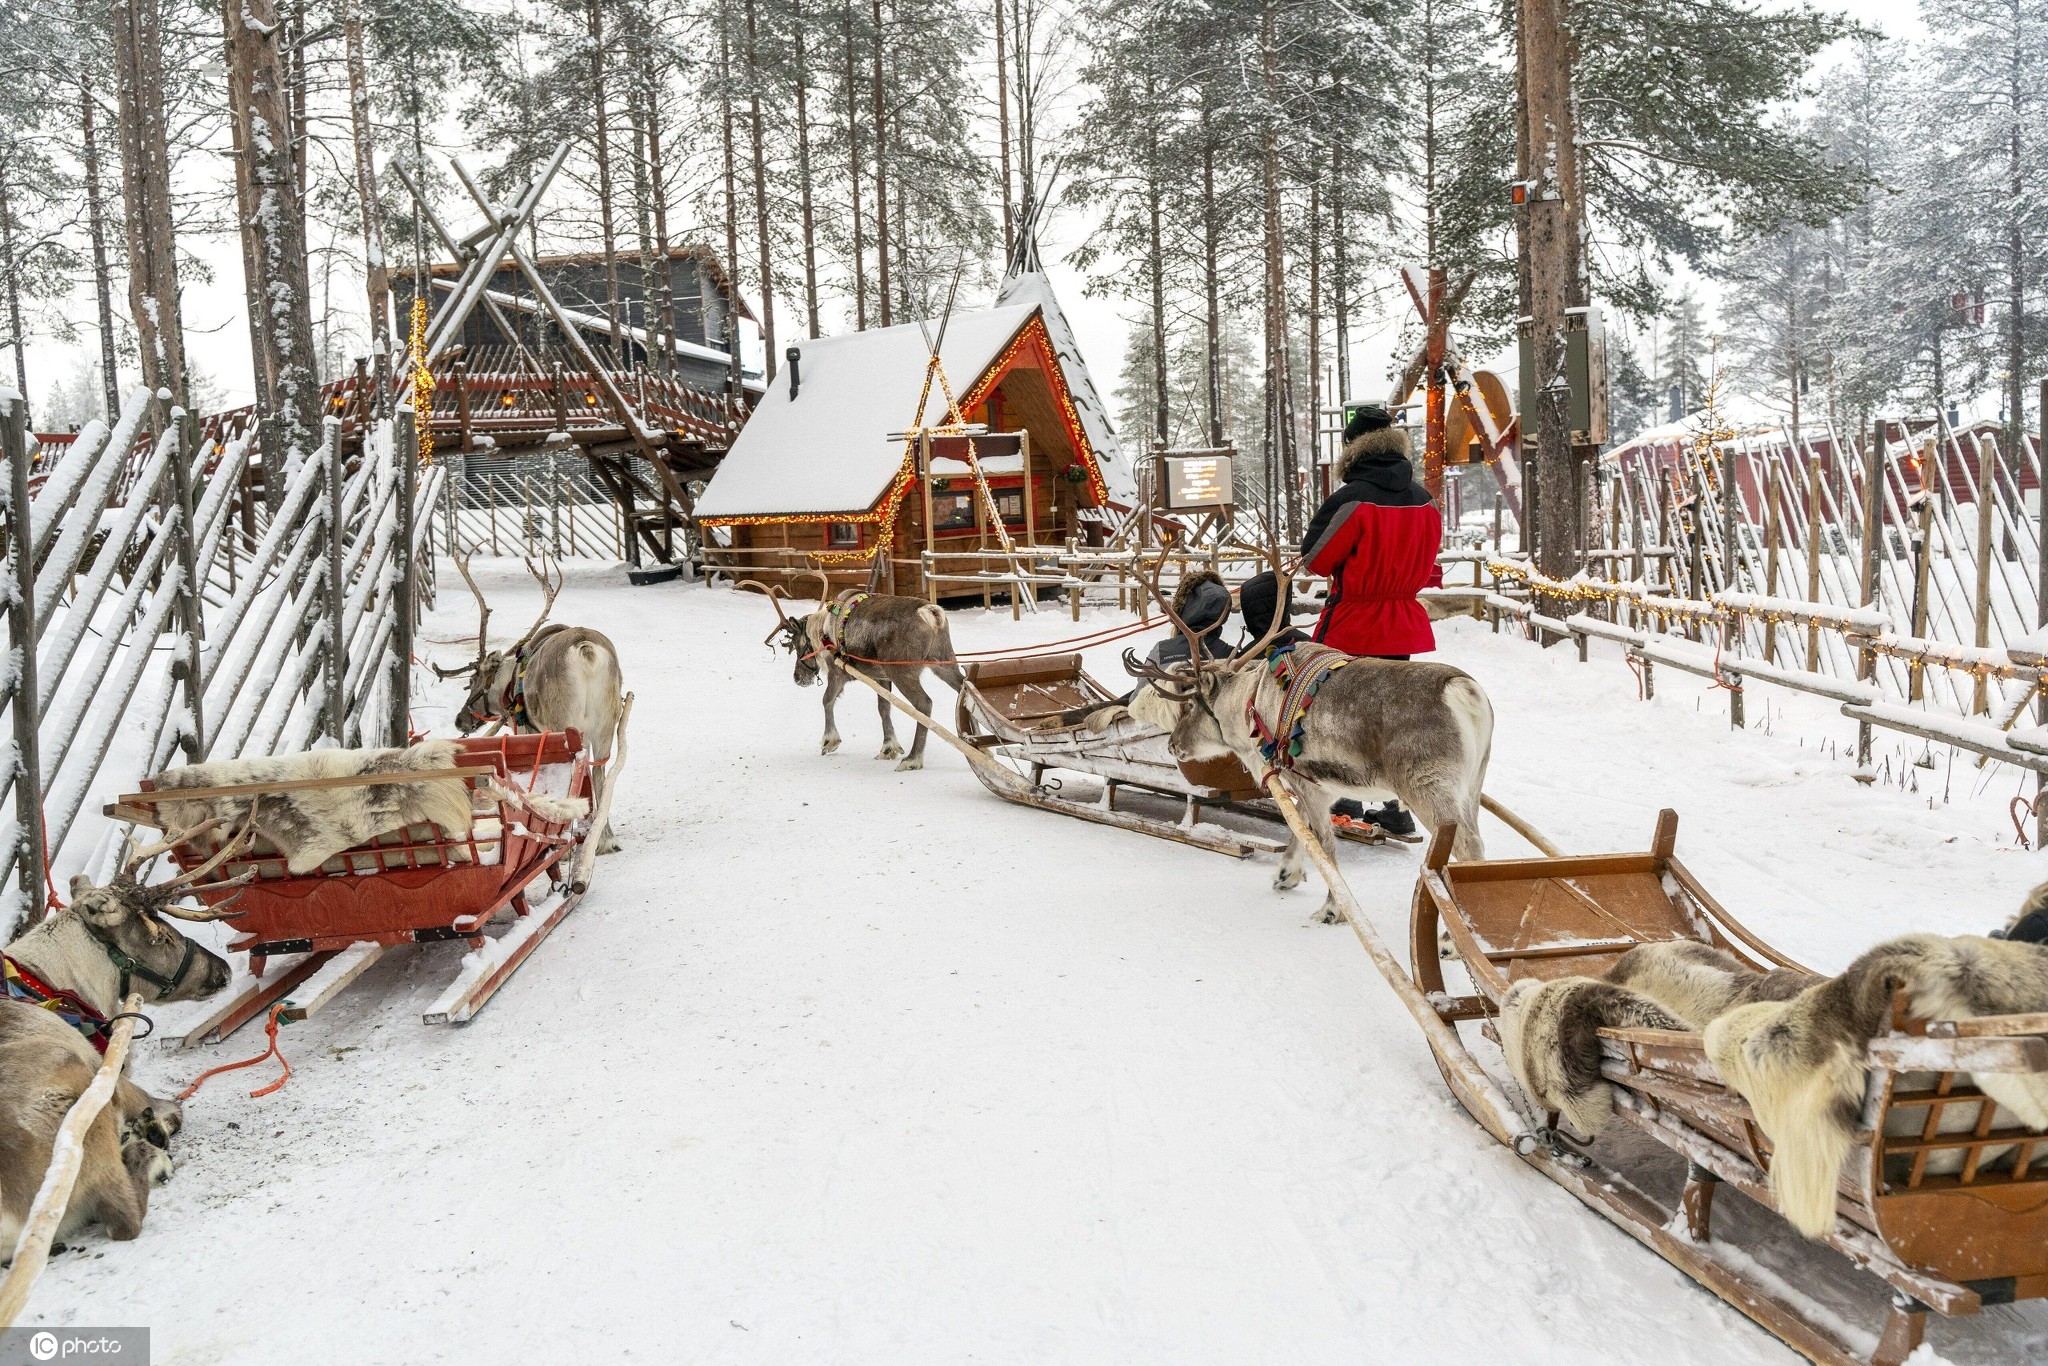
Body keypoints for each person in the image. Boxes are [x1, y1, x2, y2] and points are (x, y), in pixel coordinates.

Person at [1298, 401, 1444, 837]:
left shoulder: (1350, 500)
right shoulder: (1425, 500)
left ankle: (1343, 795)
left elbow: (1316, 560)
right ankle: (1396, 806)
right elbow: (1430, 564)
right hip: (1401, 622)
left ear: (1352, 450)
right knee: (1394, 720)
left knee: (1336, 715)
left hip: (1353, 623)